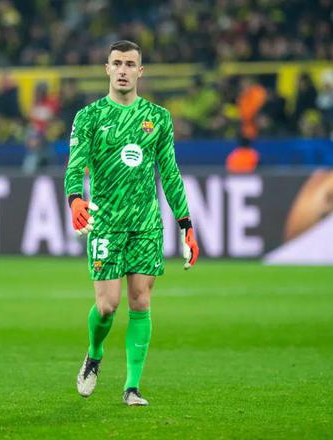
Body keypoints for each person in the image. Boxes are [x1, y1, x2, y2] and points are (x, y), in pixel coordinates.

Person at [64, 40, 200, 406]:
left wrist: (186, 224)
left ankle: (132, 387)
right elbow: (75, 165)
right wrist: (75, 199)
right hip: (106, 223)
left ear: (140, 71)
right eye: (117, 63)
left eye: (130, 64)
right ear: (107, 69)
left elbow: (170, 173)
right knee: (107, 305)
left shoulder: (158, 118)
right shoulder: (89, 116)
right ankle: (94, 353)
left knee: (140, 302)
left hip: (145, 224)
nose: (123, 70)